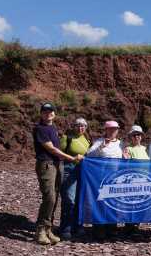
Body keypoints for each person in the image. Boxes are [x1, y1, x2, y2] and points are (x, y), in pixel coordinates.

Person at [33, 103, 83, 245]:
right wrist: (71, 158)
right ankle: (41, 230)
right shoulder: (40, 129)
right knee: (49, 197)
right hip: (46, 165)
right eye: (45, 111)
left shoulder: (52, 128)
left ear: (54, 114)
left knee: (54, 198)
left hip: (56, 165)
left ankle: (48, 229)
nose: (48, 113)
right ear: (41, 113)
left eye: (51, 111)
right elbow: (52, 149)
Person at [86, 121, 124, 240]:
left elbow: (124, 158)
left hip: (116, 179)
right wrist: (102, 146)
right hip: (101, 178)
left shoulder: (121, 143)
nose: (113, 131)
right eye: (110, 129)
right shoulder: (99, 141)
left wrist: (126, 156)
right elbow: (89, 154)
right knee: (101, 202)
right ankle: (99, 229)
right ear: (106, 130)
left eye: (115, 129)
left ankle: (112, 229)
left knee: (114, 204)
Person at [59, 117, 91, 240]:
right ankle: (65, 228)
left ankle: (78, 226)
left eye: (83, 126)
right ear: (73, 126)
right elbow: (59, 153)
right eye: (78, 125)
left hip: (82, 171)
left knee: (80, 199)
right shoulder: (67, 138)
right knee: (69, 199)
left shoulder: (87, 139)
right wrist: (71, 158)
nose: (80, 128)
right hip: (69, 169)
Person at [122, 125, 150, 235]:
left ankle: (136, 225)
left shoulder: (145, 149)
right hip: (132, 180)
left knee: (140, 203)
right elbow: (126, 163)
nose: (137, 137)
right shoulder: (128, 149)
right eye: (134, 135)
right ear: (131, 137)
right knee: (131, 203)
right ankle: (129, 225)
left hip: (144, 180)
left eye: (139, 135)